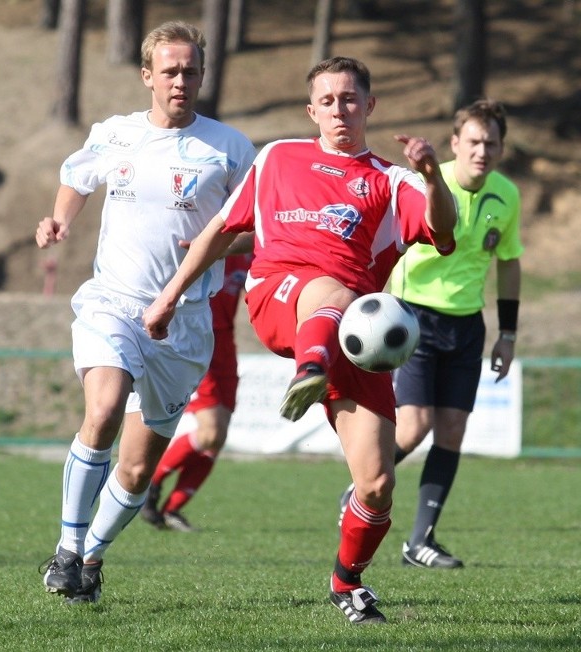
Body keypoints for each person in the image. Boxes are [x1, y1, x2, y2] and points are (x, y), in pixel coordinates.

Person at [141, 56, 457, 625]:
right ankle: (308, 367)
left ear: (370, 106)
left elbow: (444, 230)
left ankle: (347, 582)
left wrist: (433, 176)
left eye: (350, 99)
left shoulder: (390, 179)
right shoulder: (278, 157)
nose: (340, 109)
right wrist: (168, 295)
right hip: (281, 295)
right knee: (327, 289)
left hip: (357, 336)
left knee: (378, 484)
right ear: (312, 109)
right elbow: (222, 231)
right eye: (328, 100)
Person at [35, 20, 256, 604]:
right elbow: (76, 178)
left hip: (185, 322)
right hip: (114, 302)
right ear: (147, 76)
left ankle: (91, 557)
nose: (181, 80)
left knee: (135, 470)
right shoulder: (116, 134)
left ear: (203, 76)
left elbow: (254, 229)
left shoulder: (231, 148)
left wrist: (215, 245)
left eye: (190, 71)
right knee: (104, 408)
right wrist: (62, 219)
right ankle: (65, 546)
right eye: (170, 71)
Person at [339, 99, 523, 570]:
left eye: (492, 143)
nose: (483, 151)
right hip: (412, 321)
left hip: (467, 326)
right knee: (415, 424)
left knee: (453, 432)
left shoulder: (507, 195)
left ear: (501, 150)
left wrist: (508, 333)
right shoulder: (425, 183)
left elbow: (508, 262)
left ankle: (420, 541)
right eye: (475, 141)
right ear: (456, 143)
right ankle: (362, 485)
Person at [139, 251, 252, 532]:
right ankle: (149, 483)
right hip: (199, 336)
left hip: (226, 343)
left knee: (217, 437)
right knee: (210, 432)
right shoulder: (205, 244)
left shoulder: (247, 247)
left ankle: (172, 509)